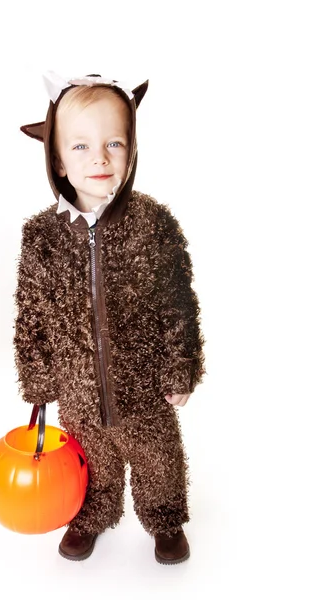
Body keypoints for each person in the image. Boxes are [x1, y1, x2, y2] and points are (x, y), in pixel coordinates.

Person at [14, 71, 206, 564]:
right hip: (78, 389)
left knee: (158, 459)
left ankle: (165, 520)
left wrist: (180, 367)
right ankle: (93, 515)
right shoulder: (42, 237)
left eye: (114, 142)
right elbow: (32, 313)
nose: (99, 158)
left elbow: (177, 304)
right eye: (80, 146)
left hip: (143, 389)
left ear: (132, 151)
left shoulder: (152, 224)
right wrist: (38, 379)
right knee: (91, 462)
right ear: (56, 158)